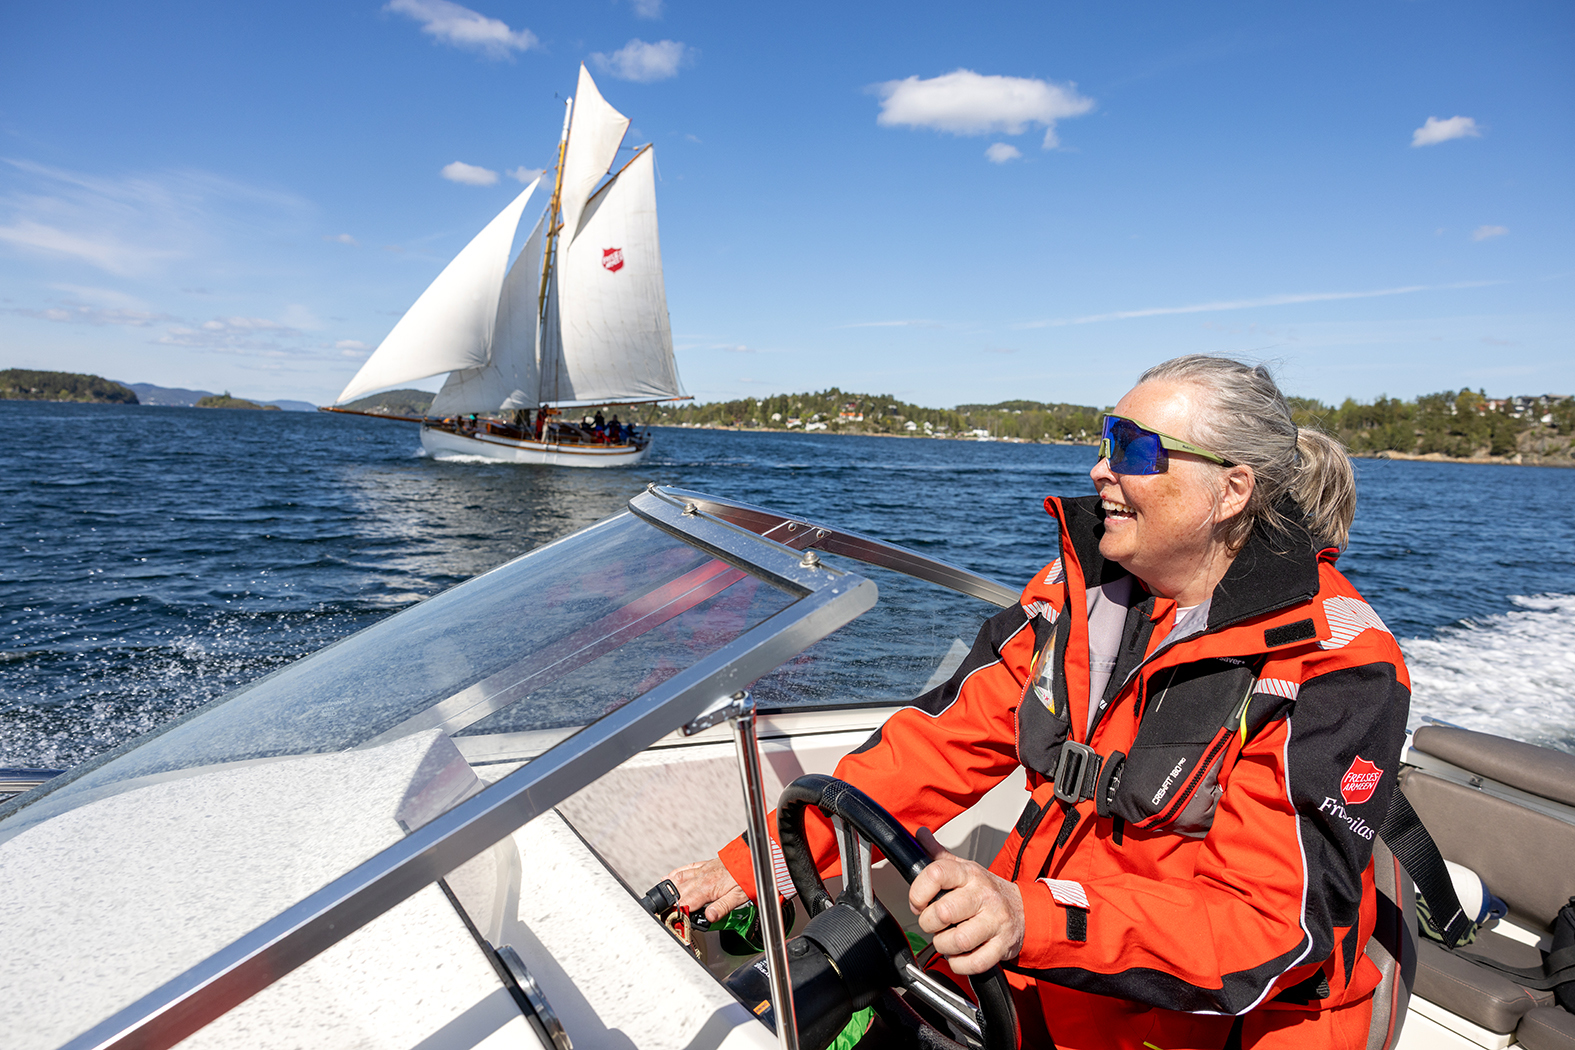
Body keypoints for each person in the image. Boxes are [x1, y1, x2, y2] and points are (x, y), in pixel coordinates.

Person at [668, 356, 1411, 1049]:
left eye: (1134, 450)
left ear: (1232, 489)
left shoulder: (1333, 664)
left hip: (1201, 1019)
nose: (1099, 470)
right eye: (1105, 441)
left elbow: (1269, 924)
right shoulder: (1078, 601)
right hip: (1039, 967)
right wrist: (754, 860)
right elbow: (938, 745)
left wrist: (1033, 919)